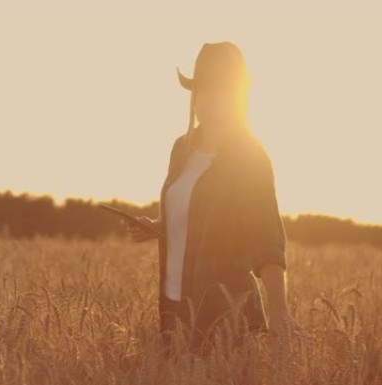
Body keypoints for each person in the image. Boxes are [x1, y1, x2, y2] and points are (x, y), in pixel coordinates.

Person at [123, 41, 302, 357]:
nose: (213, 100)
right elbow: (199, 213)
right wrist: (159, 226)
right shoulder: (182, 149)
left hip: (227, 317)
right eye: (205, 89)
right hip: (173, 309)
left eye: (224, 91)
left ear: (239, 98)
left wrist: (278, 312)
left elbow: (267, 240)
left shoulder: (249, 156)